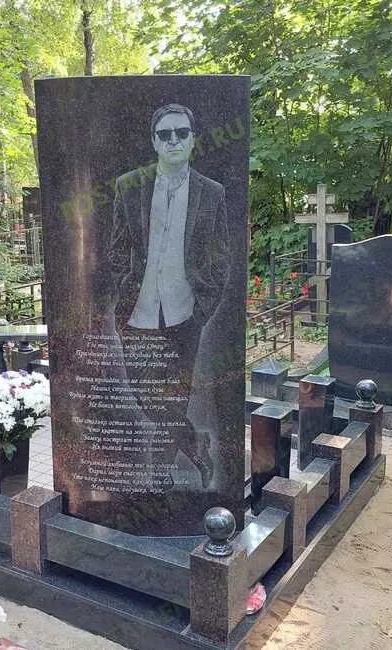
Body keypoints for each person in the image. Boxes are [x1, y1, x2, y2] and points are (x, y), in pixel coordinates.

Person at [109, 103, 231, 488]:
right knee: (146, 396)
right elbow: (117, 247)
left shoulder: (212, 193)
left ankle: (158, 476)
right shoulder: (129, 186)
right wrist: (122, 285)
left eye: (181, 133)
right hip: (138, 312)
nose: (173, 140)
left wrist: (202, 308)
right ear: (154, 141)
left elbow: (221, 256)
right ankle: (196, 445)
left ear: (193, 140)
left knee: (173, 398)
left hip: (185, 315)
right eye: (165, 134)